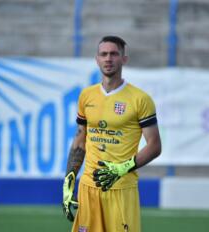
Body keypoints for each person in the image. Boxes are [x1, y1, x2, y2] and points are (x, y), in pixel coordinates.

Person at [62, 35, 162, 232]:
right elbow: (80, 140)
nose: (108, 59)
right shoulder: (86, 96)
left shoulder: (140, 99)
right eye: (103, 54)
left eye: (114, 54)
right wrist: (69, 182)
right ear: (97, 59)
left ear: (124, 59)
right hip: (88, 188)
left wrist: (121, 168)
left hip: (120, 189)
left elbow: (154, 146)